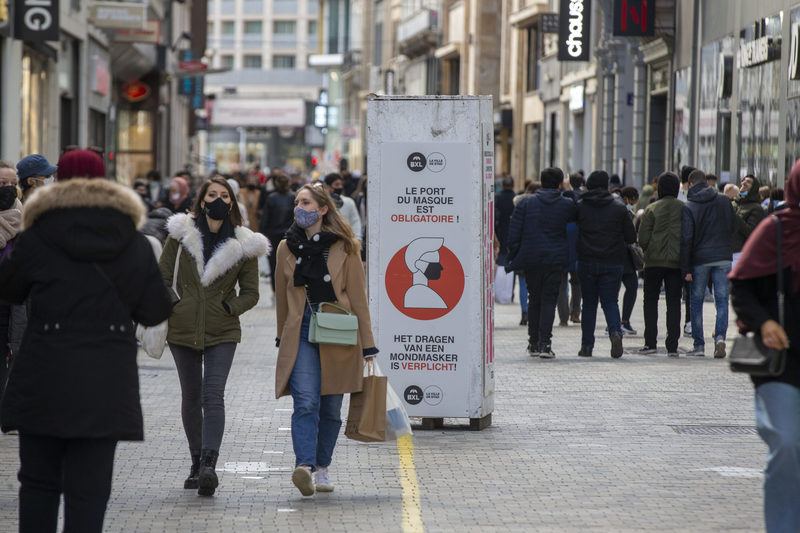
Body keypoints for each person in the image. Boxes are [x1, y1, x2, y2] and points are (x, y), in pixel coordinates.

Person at [0, 149, 172, 533]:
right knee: (90, 492)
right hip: (105, 382)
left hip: (43, 376)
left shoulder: (37, 236)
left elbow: (8, 289)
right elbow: (155, 311)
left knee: (39, 485)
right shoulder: (133, 243)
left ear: (58, 184)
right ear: (103, 183)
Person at [160, 177, 268, 497]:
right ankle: (195, 462)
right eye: (212, 195)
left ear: (232, 203)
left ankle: (209, 464)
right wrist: (176, 304)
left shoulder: (243, 243)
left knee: (213, 395)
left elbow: (251, 293)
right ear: (201, 200)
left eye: (225, 196)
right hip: (183, 328)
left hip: (223, 329)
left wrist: (229, 307)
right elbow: (162, 276)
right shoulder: (181, 236)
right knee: (191, 396)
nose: (218, 200)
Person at [275, 183, 378, 496]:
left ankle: (322, 467)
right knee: (306, 400)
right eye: (297, 202)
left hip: (338, 329)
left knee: (331, 407)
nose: (299, 208)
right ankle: (304, 466)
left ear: (322, 209)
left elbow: (359, 298)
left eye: (306, 202)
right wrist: (282, 335)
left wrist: (368, 344)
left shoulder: (346, 246)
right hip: (302, 330)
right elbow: (282, 297)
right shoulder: (285, 248)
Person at [730, 159, 800, 533]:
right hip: (781, 361)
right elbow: (740, 286)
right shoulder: (774, 230)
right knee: (788, 444)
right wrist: (765, 322)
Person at [506, 168, 577, 358]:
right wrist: (569, 189)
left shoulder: (526, 203)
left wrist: (514, 253)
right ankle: (545, 344)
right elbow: (578, 212)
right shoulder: (565, 203)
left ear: (541, 181)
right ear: (560, 183)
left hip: (531, 257)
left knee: (534, 298)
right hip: (555, 258)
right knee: (548, 300)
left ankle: (533, 343)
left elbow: (514, 232)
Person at [576, 170, 636, 358]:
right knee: (610, 302)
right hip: (613, 262)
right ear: (607, 185)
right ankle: (616, 332)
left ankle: (587, 346)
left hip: (587, 261)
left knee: (589, 304)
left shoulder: (580, 206)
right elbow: (631, 236)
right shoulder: (619, 208)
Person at [681, 169, 737, 358]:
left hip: (700, 259)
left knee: (696, 301)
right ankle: (720, 337)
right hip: (722, 256)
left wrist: (686, 268)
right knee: (722, 300)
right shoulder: (723, 200)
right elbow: (733, 226)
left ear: (690, 184)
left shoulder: (689, 206)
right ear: (706, 182)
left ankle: (699, 346)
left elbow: (687, 238)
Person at [636, 172, 684, 356]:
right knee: (674, 302)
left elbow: (643, 238)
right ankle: (672, 346)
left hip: (653, 262)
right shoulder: (683, 208)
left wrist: (649, 249)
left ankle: (650, 343)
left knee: (650, 301)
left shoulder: (652, 208)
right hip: (676, 262)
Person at [0, 163, 24, 398]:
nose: (8, 188)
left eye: (12, 184)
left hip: (12, 307)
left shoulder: (25, 218)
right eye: (2, 184)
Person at [260, 173, 296, 291]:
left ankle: (276, 288)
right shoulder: (293, 197)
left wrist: (263, 234)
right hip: (289, 234)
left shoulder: (271, 197)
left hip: (273, 233)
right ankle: (288, 285)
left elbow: (265, 219)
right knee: (289, 260)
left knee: (274, 262)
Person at [511, 181, 540, 326]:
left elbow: (514, 230)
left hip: (522, 250)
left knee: (523, 284)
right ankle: (535, 313)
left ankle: (524, 313)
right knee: (536, 285)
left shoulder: (519, 205)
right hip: (538, 251)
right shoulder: (541, 206)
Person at [619, 186, 641, 335]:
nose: (633, 204)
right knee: (631, 286)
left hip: (614, 256)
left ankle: (615, 323)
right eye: (633, 201)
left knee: (614, 291)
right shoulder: (623, 211)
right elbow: (631, 236)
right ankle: (622, 322)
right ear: (627, 198)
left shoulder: (620, 208)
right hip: (623, 256)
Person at [733, 174, 767, 266]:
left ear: (754, 188)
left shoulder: (756, 208)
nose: (744, 182)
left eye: (748, 182)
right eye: (743, 180)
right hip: (724, 252)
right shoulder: (733, 203)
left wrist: (734, 216)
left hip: (740, 253)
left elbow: (751, 232)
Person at [323, 173, 362, 242]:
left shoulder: (349, 202)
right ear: (328, 187)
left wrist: (357, 239)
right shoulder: (322, 203)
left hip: (347, 242)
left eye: (341, 184)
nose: (340, 187)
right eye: (337, 184)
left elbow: (355, 222)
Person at [494, 176, 517, 263]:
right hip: (512, 230)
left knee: (500, 255)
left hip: (499, 229)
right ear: (513, 185)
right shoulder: (516, 198)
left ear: (503, 185)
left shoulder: (497, 197)